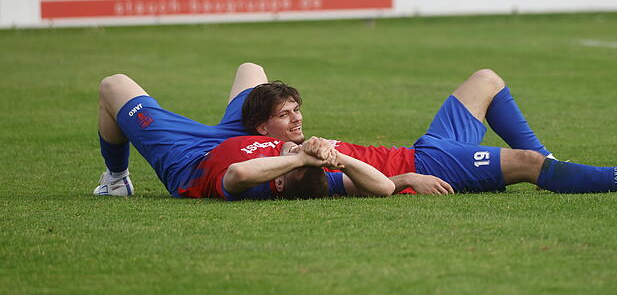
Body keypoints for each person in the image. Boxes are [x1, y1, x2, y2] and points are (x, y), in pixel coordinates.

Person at [236, 64, 617, 196]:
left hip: (425, 148)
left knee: (486, 79)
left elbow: (248, 73)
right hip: (428, 163)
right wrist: (406, 179)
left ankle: (555, 170)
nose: (296, 119)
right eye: (285, 114)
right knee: (527, 164)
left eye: (297, 110)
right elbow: (350, 188)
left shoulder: (276, 144)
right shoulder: (291, 166)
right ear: (262, 128)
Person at [92, 71, 394, 200]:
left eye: (290, 154)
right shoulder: (316, 177)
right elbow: (384, 187)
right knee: (251, 68)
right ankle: (267, 118)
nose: (292, 147)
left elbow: (236, 173)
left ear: (277, 180)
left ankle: (117, 179)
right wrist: (337, 159)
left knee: (113, 85)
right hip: (239, 133)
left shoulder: (256, 183)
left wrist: (299, 156)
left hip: (190, 156)